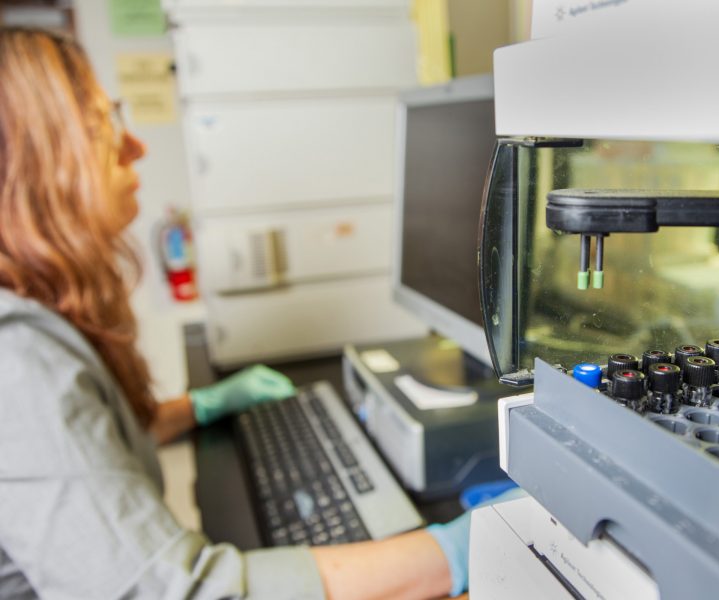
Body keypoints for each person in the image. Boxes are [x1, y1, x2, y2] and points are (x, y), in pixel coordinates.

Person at [0, 27, 505, 599]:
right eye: (101, 125)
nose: (136, 146)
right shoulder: (14, 356)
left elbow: (91, 445)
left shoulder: (33, 313)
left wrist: (201, 404)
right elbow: (174, 591)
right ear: (32, 167)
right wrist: (459, 550)